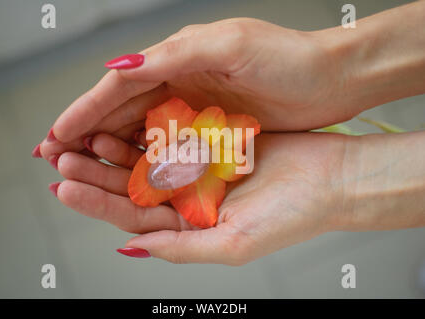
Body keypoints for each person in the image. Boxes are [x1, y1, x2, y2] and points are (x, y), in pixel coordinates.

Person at [32, 1, 425, 265]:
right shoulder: (182, 143)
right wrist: (335, 75)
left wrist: (342, 185)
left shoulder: (200, 133)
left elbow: (236, 129)